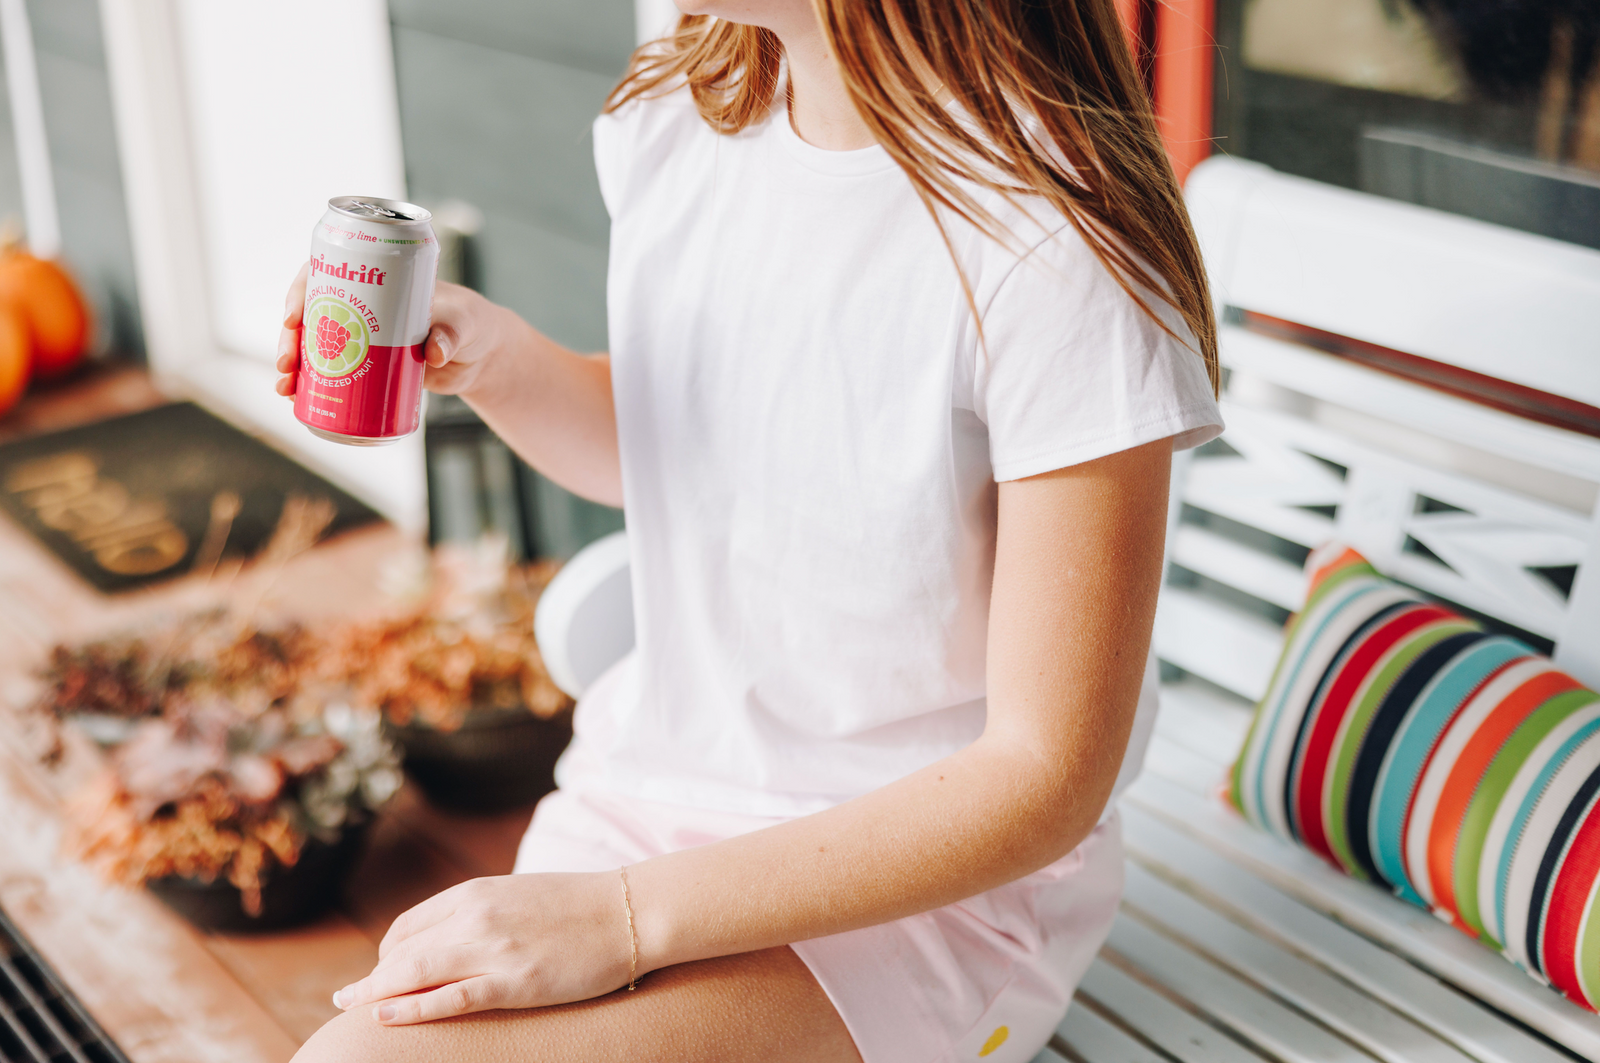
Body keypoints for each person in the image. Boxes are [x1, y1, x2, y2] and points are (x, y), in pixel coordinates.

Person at [280, 1, 1221, 1060]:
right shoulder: (681, 124)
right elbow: (677, 454)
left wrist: (623, 918)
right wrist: (497, 363)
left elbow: (1045, 778)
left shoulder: (1055, 250)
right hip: (650, 800)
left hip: (923, 882)